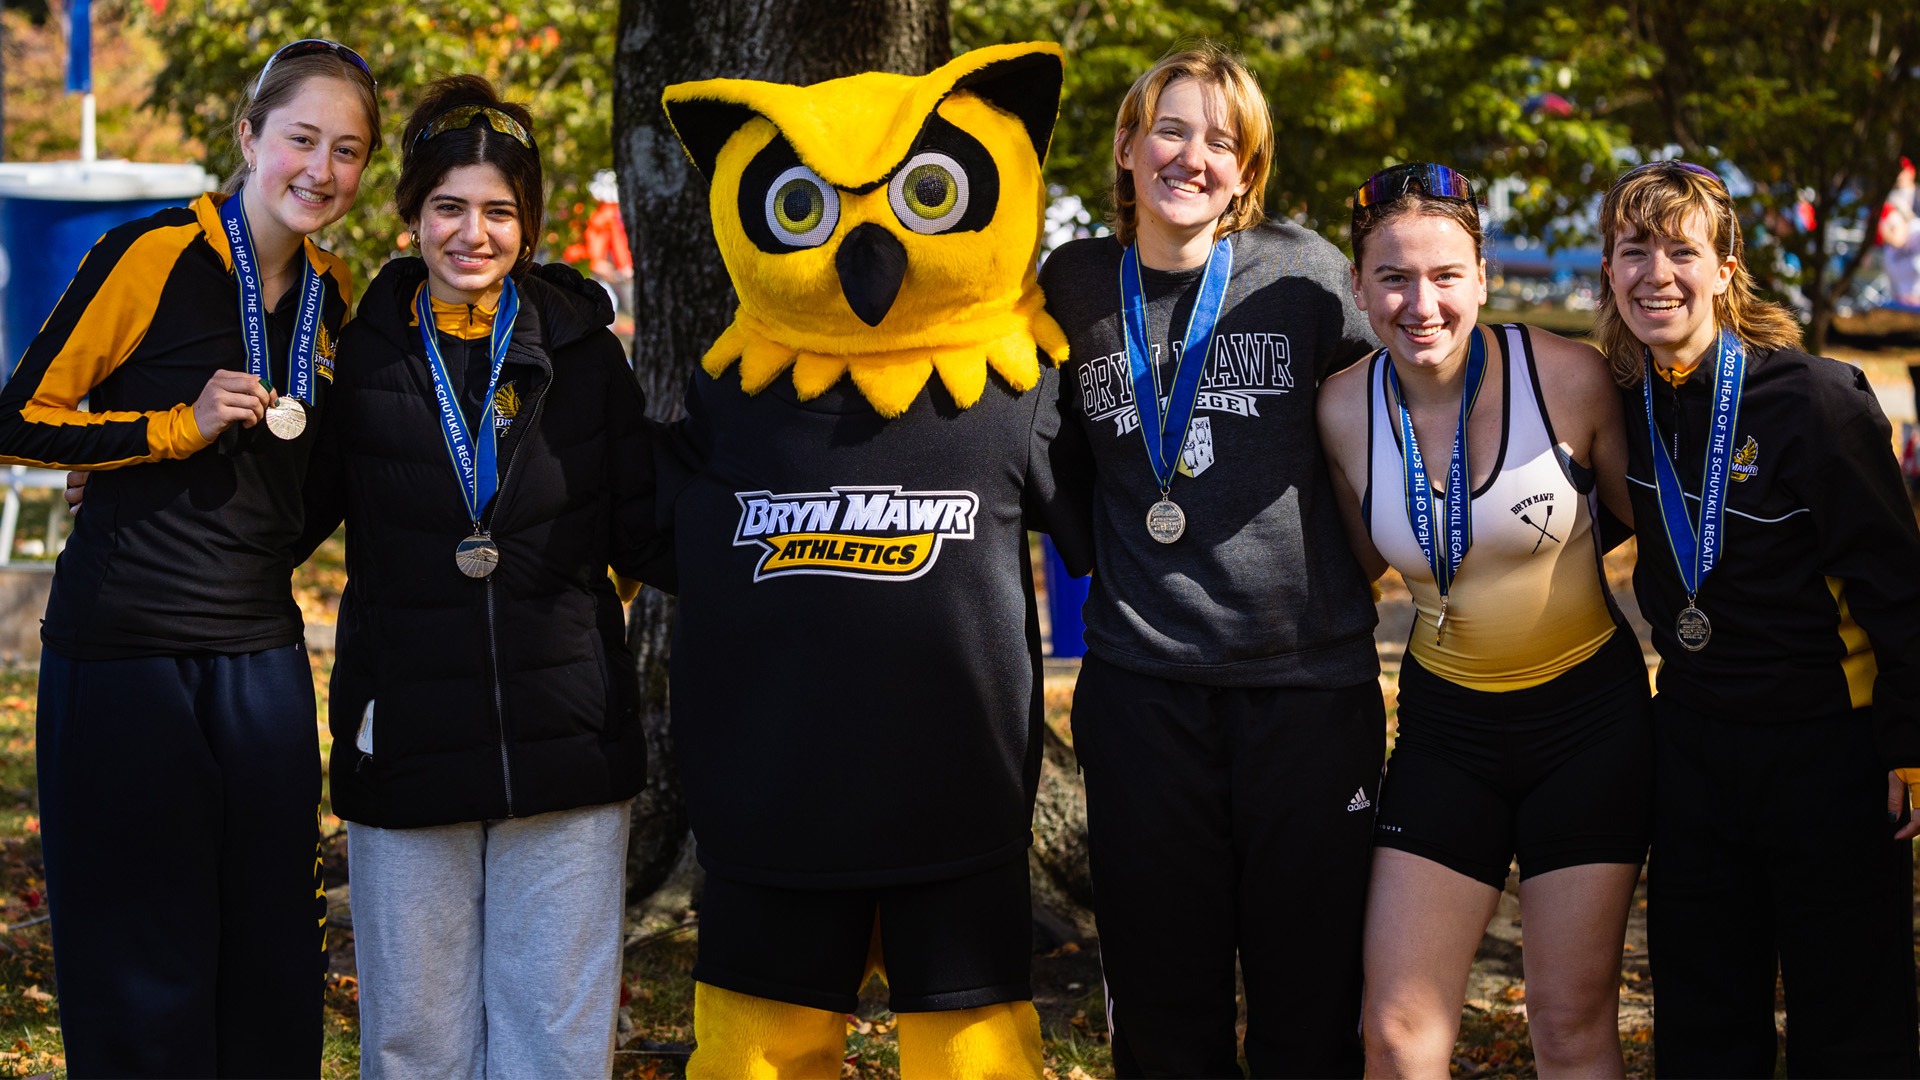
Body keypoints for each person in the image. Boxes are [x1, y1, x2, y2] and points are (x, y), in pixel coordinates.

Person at [0, 40, 378, 1076]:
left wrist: (254, 546)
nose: (322, 170)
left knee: (271, 959)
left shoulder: (337, 299)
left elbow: (317, 489)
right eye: (302, 139)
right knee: (140, 962)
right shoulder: (152, 251)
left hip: (258, 653)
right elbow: (21, 418)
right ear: (250, 138)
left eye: (348, 152)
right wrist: (172, 429)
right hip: (123, 652)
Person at [295, 75, 665, 1078]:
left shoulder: (583, 352)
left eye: (499, 211)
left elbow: (653, 529)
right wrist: (147, 476)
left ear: (529, 223)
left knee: (554, 1033)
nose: (474, 234)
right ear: (411, 214)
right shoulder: (356, 352)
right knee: (415, 1037)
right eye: (449, 207)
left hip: (569, 743)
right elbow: (282, 514)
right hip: (408, 734)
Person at [1043, 43, 1384, 1076]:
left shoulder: (1310, 275)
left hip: (1307, 688)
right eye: (1172, 129)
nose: (1192, 156)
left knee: (1309, 1004)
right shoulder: (1068, 285)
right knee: (1164, 1009)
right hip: (1144, 690)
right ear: (1128, 145)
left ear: (1247, 170)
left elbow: (1388, 426)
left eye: (1221, 141)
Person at [1316, 162, 1648, 1075]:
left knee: (1570, 1029)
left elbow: (1660, 537)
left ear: (1482, 278)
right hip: (1445, 731)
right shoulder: (1342, 409)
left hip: (1588, 728)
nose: (1421, 303)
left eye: (1446, 275)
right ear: (1359, 287)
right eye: (1393, 277)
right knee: (1394, 1032)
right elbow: (1358, 564)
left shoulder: (1570, 377)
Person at [1599, 159, 1920, 1075]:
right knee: (1703, 1017)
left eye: (1679, 251)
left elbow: (1899, 588)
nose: (1656, 273)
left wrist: (1909, 742)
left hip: (1828, 748)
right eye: (1633, 252)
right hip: (1694, 747)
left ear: (1726, 268)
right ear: (1609, 272)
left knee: (1851, 1015)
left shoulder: (1816, 401)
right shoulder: (1621, 404)